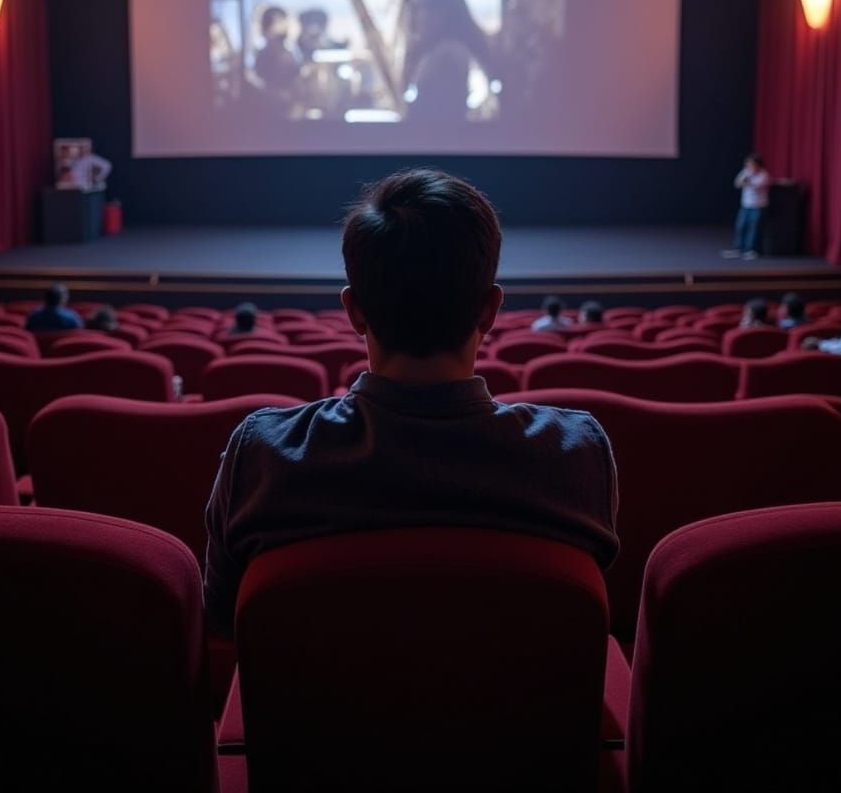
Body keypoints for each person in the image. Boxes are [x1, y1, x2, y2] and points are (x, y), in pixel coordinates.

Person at [204, 169, 619, 637]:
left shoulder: (264, 458)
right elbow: (596, 628)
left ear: (353, 311)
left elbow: (223, 627)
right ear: (490, 310)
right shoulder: (574, 456)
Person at [399, 0, 494, 123]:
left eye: (419, 7)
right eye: (410, 7)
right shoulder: (441, 52)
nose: (412, 17)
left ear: (443, 10)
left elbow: (439, 124)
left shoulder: (447, 56)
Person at [722, 153, 770, 260]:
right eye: (748, 164)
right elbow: (737, 183)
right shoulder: (746, 172)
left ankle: (752, 251)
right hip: (746, 205)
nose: (749, 166)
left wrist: (747, 181)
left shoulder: (764, 175)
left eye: (751, 164)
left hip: (758, 206)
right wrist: (745, 179)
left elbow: (755, 186)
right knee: (741, 227)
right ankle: (739, 249)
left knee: (754, 229)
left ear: (758, 164)